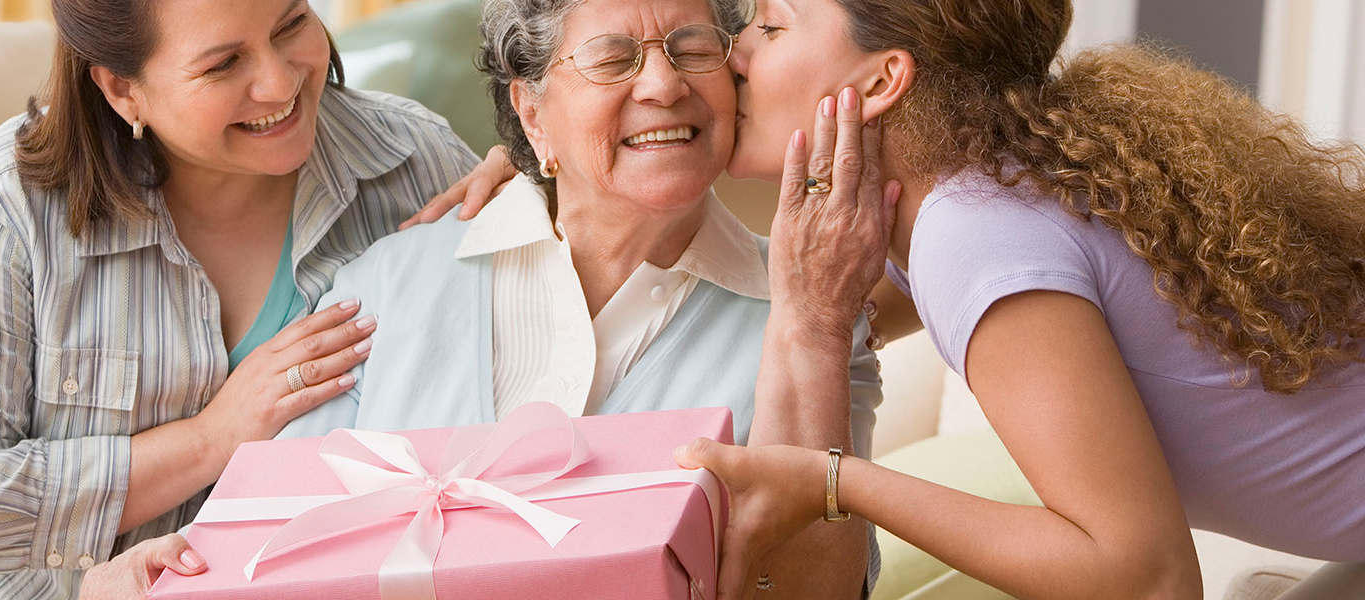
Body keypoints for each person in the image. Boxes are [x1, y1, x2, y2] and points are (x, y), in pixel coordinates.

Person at [428, 1, 1365, 599]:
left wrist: (836, 482)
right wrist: (546, 146)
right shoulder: (964, 199)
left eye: (771, 26)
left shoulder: (971, 231)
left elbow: (1149, 579)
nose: (734, 55)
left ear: (881, 80)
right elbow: (800, 300)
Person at [77, 0, 885, 598]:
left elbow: (819, 591)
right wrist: (148, 575)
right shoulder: (382, 288)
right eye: (611, 58)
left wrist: (812, 326)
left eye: (693, 48)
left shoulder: (812, 312)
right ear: (531, 113)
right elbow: (267, 552)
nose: (665, 84)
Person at [0, 0, 480, 597]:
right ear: (124, 90)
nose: (281, 81)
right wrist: (212, 437)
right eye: (223, 63)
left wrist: (547, 200)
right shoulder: (2, 207)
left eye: (290, 25)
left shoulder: (413, 160)